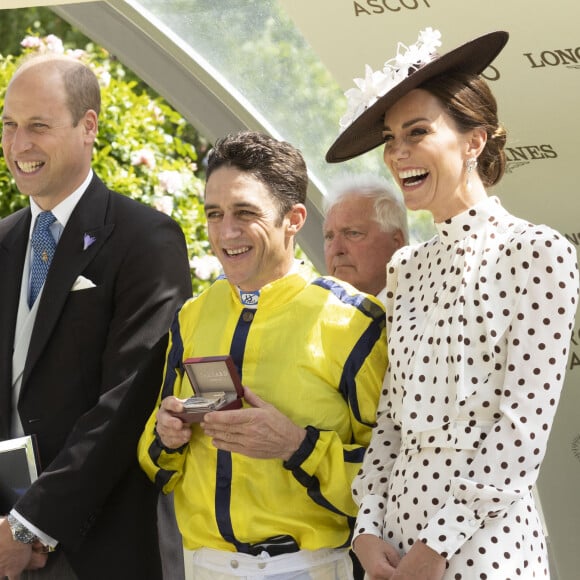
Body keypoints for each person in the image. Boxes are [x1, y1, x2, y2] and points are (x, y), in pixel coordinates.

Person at [326, 28, 579, 579]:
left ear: (475, 140)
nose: (398, 154)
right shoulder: (406, 268)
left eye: (417, 132)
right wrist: (367, 531)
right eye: (390, 138)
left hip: (486, 550)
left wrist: (434, 548)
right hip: (392, 548)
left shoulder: (538, 252)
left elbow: (520, 431)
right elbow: (392, 420)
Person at [138, 130, 387, 580]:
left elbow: (393, 477)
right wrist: (166, 435)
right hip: (203, 566)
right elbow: (155, 462)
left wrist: (296, 445)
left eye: (245, 213)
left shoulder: (356, 322)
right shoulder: (192, 316)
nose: (225, 232)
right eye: (214, 214)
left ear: (293, 218)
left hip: (308, 568)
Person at [0, 53, 192, 579]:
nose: (19, 146)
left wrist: (29, 524)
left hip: (100, 551)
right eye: (9, 126)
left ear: (89, 127)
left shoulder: (145, 240)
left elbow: (127, 404)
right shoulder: (3, 240)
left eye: (38, 126)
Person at [323, 173, 408, 304]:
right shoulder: (318, 310)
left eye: (353, 233)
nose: (336, 249)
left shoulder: (420, 314)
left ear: (397, 242)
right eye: (329, 237)